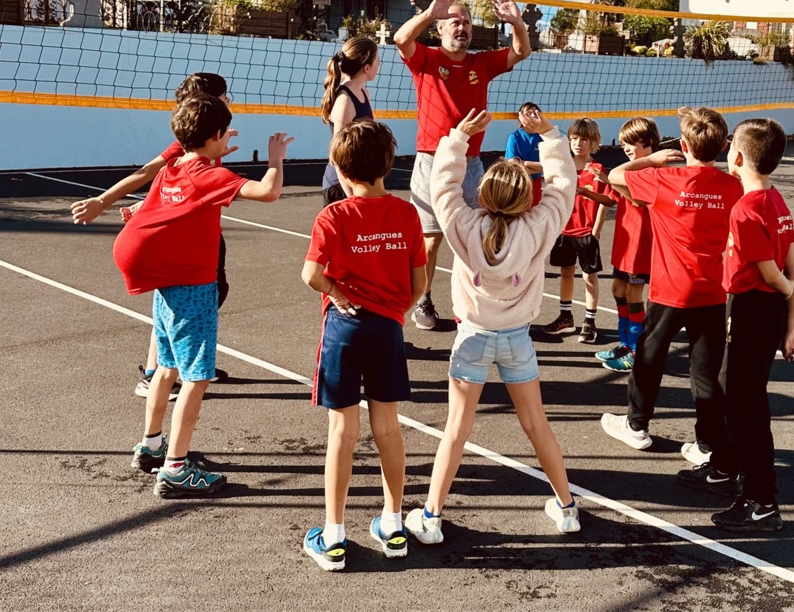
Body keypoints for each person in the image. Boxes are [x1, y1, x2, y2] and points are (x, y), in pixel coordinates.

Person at [405, 107, 581, 545]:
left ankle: (431, 517)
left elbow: (442, 187)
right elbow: (563, 185)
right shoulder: (542, 225)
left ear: (482, 193)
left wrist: (457, 138)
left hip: (472, 339)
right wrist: (550, 135)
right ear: (526, 199)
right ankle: (567, 507)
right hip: (517, 340)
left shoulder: (464, 223)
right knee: (537, 423)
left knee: (457, 429)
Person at [114, 96, 290, 497]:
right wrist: (275, 158)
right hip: (194, 288)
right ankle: (175, 469)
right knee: (197, 377)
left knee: (166, 368)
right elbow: (268, 192)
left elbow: (160, 205)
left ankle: (152, 445)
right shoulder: (211, 176)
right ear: (214, 136)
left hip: (167, 288)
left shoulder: (173, 169)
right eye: (224, 131)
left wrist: (212, 156)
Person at [301, 120, 427, 571]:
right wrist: (394, 311)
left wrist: (341, 295)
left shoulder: (332, 215)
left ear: (338, 168)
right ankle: (393, 526)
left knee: (343, 433)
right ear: (387, 166)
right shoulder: (407, 213)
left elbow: (312, 275)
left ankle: (333, 537)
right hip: (386, 328)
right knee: (389, 430)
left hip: (345, 327)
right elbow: (420, 282)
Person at [71, 72, 237, 396]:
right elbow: (149, 173)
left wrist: (145, 207)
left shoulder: (212, 139)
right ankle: (157, 373)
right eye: (225, 94)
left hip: (197, 230)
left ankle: (178, 362)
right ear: (208, 102)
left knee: (191, 298)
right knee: (187, 299)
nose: (230, 98)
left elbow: (176, 183)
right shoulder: (185, 144)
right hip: (186, 239)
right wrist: (102, 201)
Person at [600, 107, 741, 455]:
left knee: (650, 360)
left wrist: (653, 160)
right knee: (705, 372)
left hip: (669, 291)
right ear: (724, 146)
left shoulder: (664, 180)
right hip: (712, 291)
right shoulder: (732, 186)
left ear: (682, 145)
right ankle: (707, 445)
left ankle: (636, 426)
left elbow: (614, 173)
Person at [393, 0, 531, 331]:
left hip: (470, 164)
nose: (462, 27)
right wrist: (429, 13)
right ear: (440, 28)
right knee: (430, 238)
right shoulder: (426, 58)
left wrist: (517, 22)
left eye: (466, 22)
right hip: (431, 161)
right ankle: (422, 301)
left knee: (473, 236)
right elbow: (400, 40)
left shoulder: (481, 63)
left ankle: (470, 303)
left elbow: (521, 52)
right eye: (454, 21)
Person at [690, 118, 794, 534]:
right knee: (735, 395)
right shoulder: (776, 200)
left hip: (753, 307)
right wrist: (793, 323)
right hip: (766, 309)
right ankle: (733, 475)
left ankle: (761, 501)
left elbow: (777, 273)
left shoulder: (746, 208)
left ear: (736, 158)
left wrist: (785, 295)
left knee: (747, 409)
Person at [532, 117, 615, 344]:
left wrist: (596, 230)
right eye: (575, 138)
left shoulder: (596, 169)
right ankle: (566, 318)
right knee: (566, 273)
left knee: (589, 276)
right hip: (564, 230)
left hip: (586, 232)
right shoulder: (564, 166)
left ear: (593, 142)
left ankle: (590, 322)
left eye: (584, 139)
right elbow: (541, 166)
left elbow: (605, 201)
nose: (578, 143)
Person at [596, 116, 661, 371]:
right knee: (617, 290)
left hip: (640, 246)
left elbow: (639, 201)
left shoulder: (652, 172)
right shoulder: (625, 170)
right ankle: (625, 342)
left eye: (630, 143)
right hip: (625, 245)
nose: (625, 148)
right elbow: (611, 199)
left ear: (646, 142)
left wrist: (611, 179)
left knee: (634, 294)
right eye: (623, 143)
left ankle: (636, 349)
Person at [319, 36, 380, 205]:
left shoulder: (364, 93)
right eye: (378, 60)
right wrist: (351, 195)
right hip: (341, 185)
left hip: (360, 181)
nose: (380, 65)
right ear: (366, 68)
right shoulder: (345, 101)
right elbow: (337, 156)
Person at [505, 100, 545, 207]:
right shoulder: (514, 137)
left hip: (536, 181)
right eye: (529, 113)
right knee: (516, 209)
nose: (532, 115)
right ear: (521, 118)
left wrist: (524, 163)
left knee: (534, 211)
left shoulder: (544, 136)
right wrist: (538, 166)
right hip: (518, 182)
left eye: (535, 112)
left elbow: (549, 165)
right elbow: (512, 164)